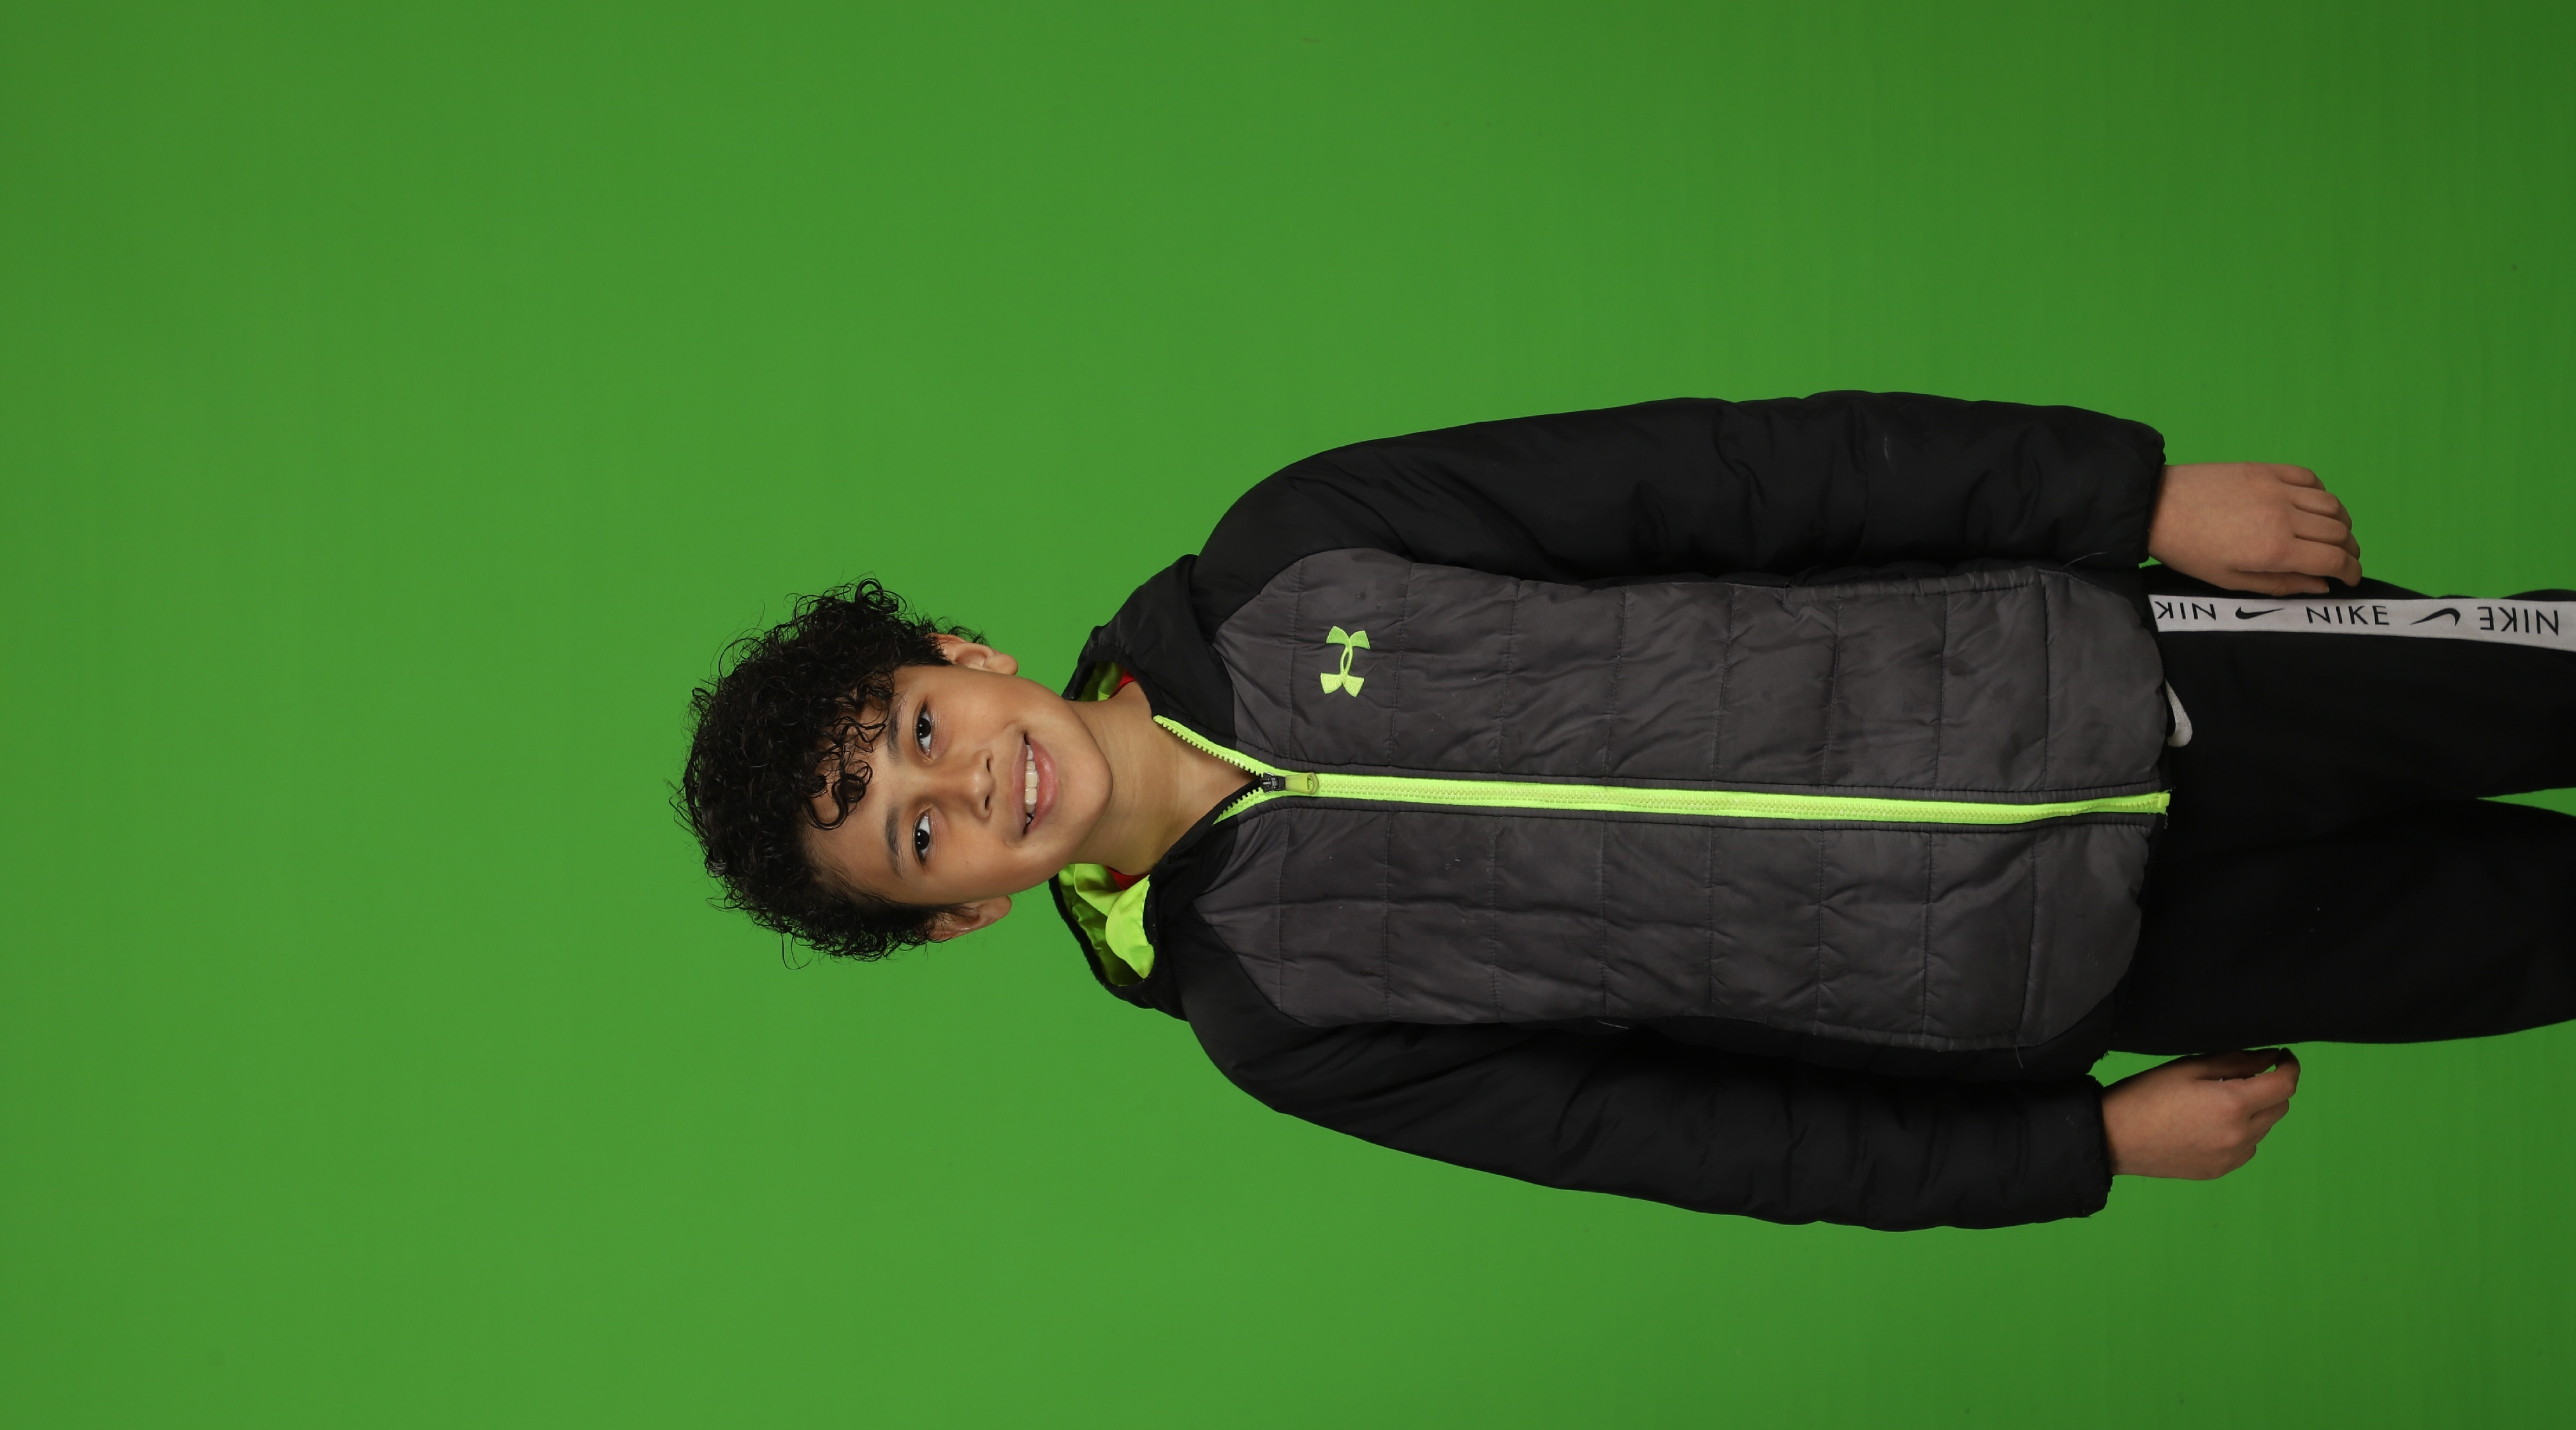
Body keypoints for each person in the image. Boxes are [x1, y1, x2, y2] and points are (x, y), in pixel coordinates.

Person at [678, 394, 2576, 1228]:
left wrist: (2127, 496)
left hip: (2105, 661)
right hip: (2077, 968)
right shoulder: (1276, 1015)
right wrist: (2073, 1153)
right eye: (918, 834)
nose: (966, 782)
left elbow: (1733, 476)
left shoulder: (1294, 550)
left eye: (921, 727)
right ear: (962, 913)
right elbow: (1691, 1139)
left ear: (966, 655)